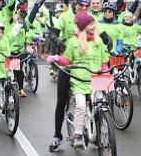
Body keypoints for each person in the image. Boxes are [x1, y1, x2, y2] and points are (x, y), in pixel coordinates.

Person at [46, 11, 108, 149]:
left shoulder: (98, 40)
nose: (94, 26)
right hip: (79, 81)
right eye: (91, 24)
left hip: (96, 79)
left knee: (101, 104)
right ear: (84, 26)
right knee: (80, 106)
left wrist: (105, 69)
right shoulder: (74, 41)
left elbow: (104, 59)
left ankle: (102, 133)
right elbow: (67, 59)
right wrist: (56, 58)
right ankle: (77, 135)